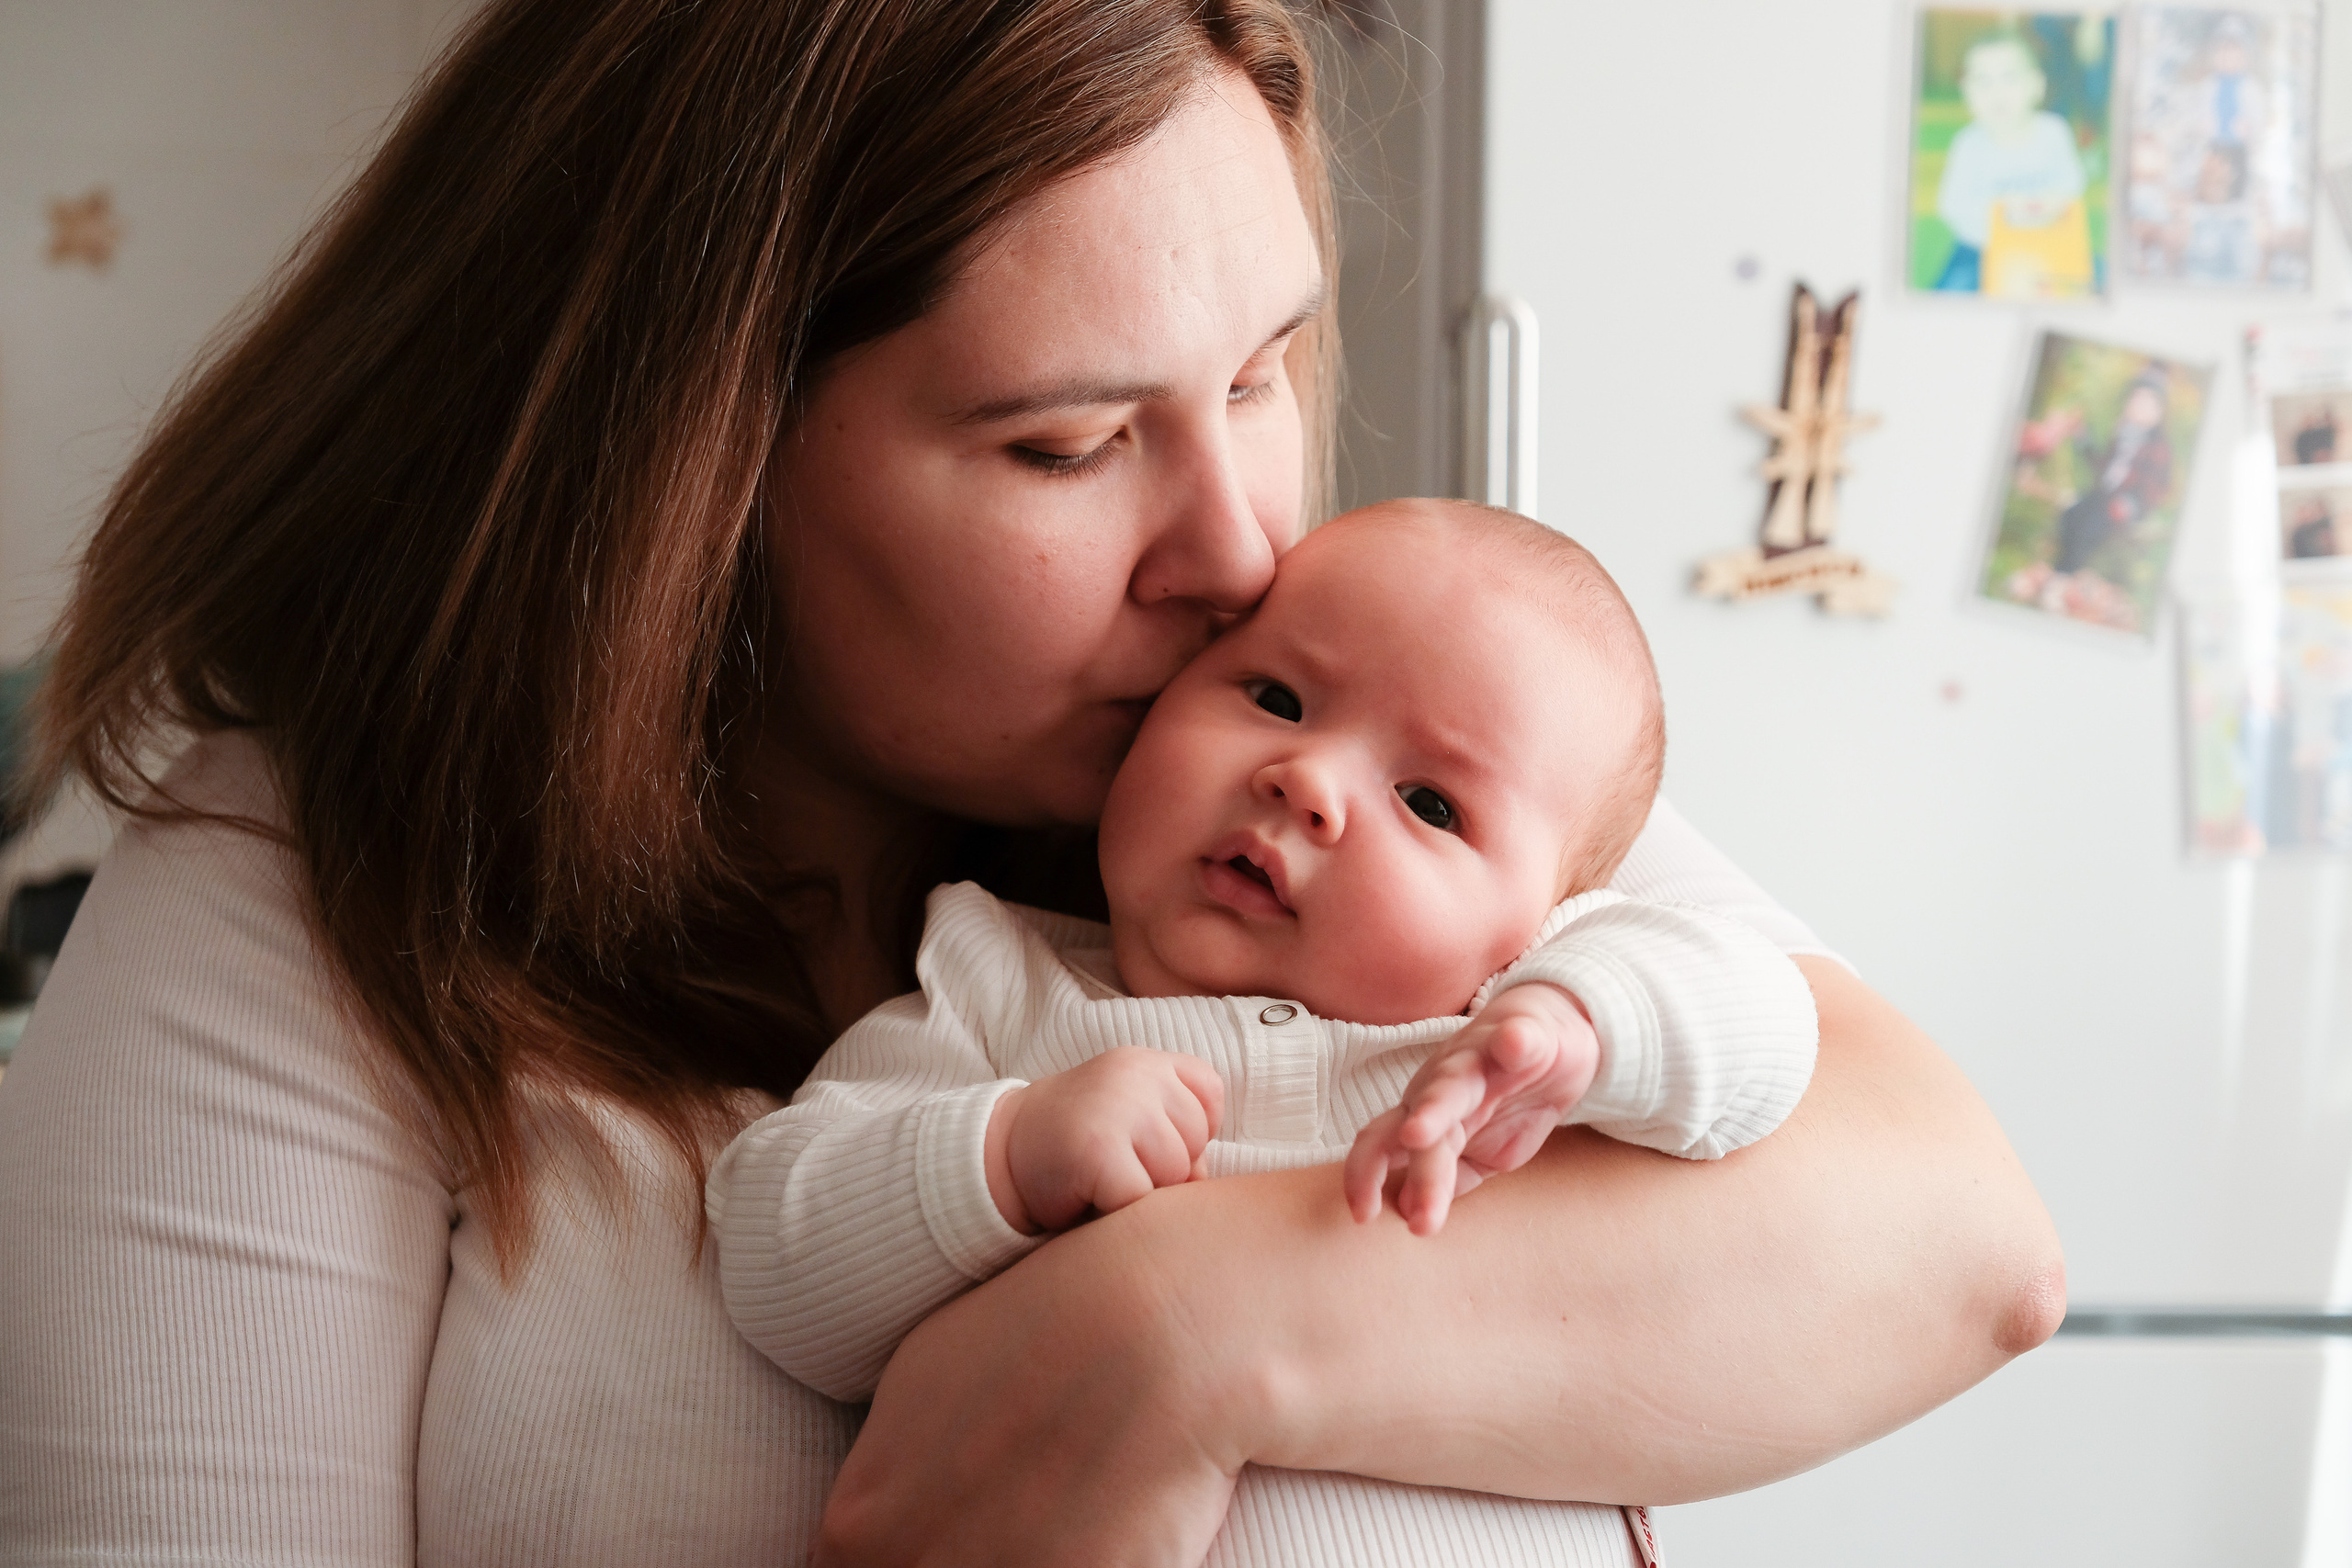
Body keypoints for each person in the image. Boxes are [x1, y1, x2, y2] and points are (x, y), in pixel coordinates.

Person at [0, 3, 2065, 1566]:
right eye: (1070, 447)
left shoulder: (1319, 776)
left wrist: (1181, 1334)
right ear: (683, 476)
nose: (1242, 544)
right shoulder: (299, 890)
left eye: (1262, 371)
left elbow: (1957, 1239)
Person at [710, 502, 1819, 1563]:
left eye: (1430, 805)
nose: (1308, 780)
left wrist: (1580, 1019)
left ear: (1533, 922)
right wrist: (1003, 1155)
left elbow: (1772, 1033)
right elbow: (775, 1260)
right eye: (1278, 698)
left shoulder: (1502, 1027)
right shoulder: (1000, 990)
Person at [1933, 34, 2093, 298]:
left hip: (2047, 237)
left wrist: (2050, 202)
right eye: (1982, 81)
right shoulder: (1968, 144)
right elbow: (1951, 204)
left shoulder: (2054, 131)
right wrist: (2001, 217)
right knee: (1950, 292)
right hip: (1980, 246)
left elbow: (2072, 180)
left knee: (2092, 279)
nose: (1996, 92)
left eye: (2009, 78)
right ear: (1967, 94)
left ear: (2037, 86)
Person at [2054, 374, 2174, 575]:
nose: (2137, 406)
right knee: (2071, 516)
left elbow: (2156, 487)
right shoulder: (2122, 434)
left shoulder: (2158, 449)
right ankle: (2062, 568)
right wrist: (2085, 441)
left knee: (2088, 529)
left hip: (2126, 505)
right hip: (2104, 496)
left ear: (2158, 413)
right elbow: (2105, 469)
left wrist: (2133, 504)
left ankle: (2068, 572)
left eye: (2146, 402)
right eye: (2135, 400)